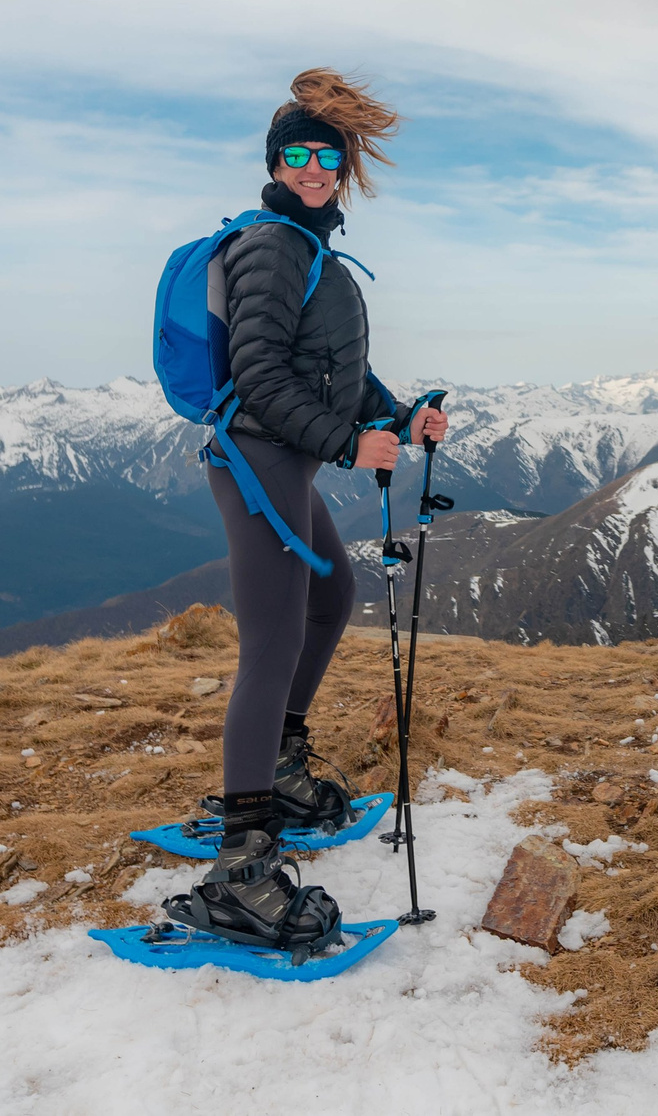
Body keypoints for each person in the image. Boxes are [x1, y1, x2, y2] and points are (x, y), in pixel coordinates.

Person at [172, 67, 446, 950]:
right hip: (257, 458)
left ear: (345, 161)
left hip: (282, 456)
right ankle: (241, 869)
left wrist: (396, 417)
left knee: (331, 597)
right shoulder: (274, 247)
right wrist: (344, 443)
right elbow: (259, 376)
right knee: (274, 638)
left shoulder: (313, 247)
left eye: (326, 154)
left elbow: (338, 373)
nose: (313, 168)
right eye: (297, 155)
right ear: (275, 162)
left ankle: (280, 766)